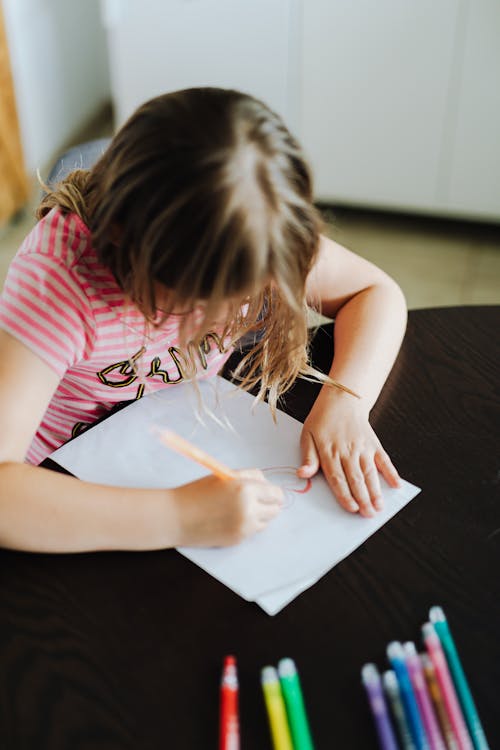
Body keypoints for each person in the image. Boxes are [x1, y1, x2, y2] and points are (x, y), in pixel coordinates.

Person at [0, 88, 406, 554]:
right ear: (126, 241)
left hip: (181, 442)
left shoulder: (256, 221)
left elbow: (376, 292)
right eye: (201, 300)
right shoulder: (60, 283)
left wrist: (345, 403)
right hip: (68, 492)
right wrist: (178, 519)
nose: (237, 313)